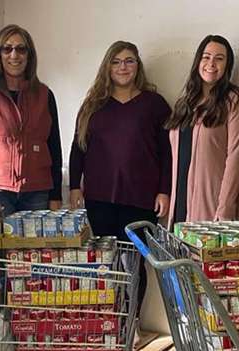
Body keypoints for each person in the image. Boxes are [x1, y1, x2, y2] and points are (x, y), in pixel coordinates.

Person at [69, 40, 171, 310]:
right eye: (116, 62)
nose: (122, 67)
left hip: (141, 199)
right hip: (100, 198)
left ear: (138, 66)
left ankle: (131, 321)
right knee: (107, 263)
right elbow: (78, 148)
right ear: (107, 67)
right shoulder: (92, 105)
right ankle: (111, 318)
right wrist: (74, 186)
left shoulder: (155, 104)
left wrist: (164, 190)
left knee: (135, 264)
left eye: (129, 61)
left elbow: (167, 152)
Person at [0, 24, 63, 216]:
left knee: (36, 238)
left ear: (29, 55)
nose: (14, 55)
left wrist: (56, 195)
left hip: (38, 192)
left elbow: (54, 146)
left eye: (21, 49)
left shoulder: (45, 94)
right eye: (7, 49)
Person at [165, 35, 239, 227]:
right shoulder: (185, 103)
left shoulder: (237, 101)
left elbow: (237, 159)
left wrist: (225, 209)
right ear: (198, 61)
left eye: (219, 58)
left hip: (213, 209)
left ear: (227, 65)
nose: (211, 64)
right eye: (206, 57)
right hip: (180, 205)